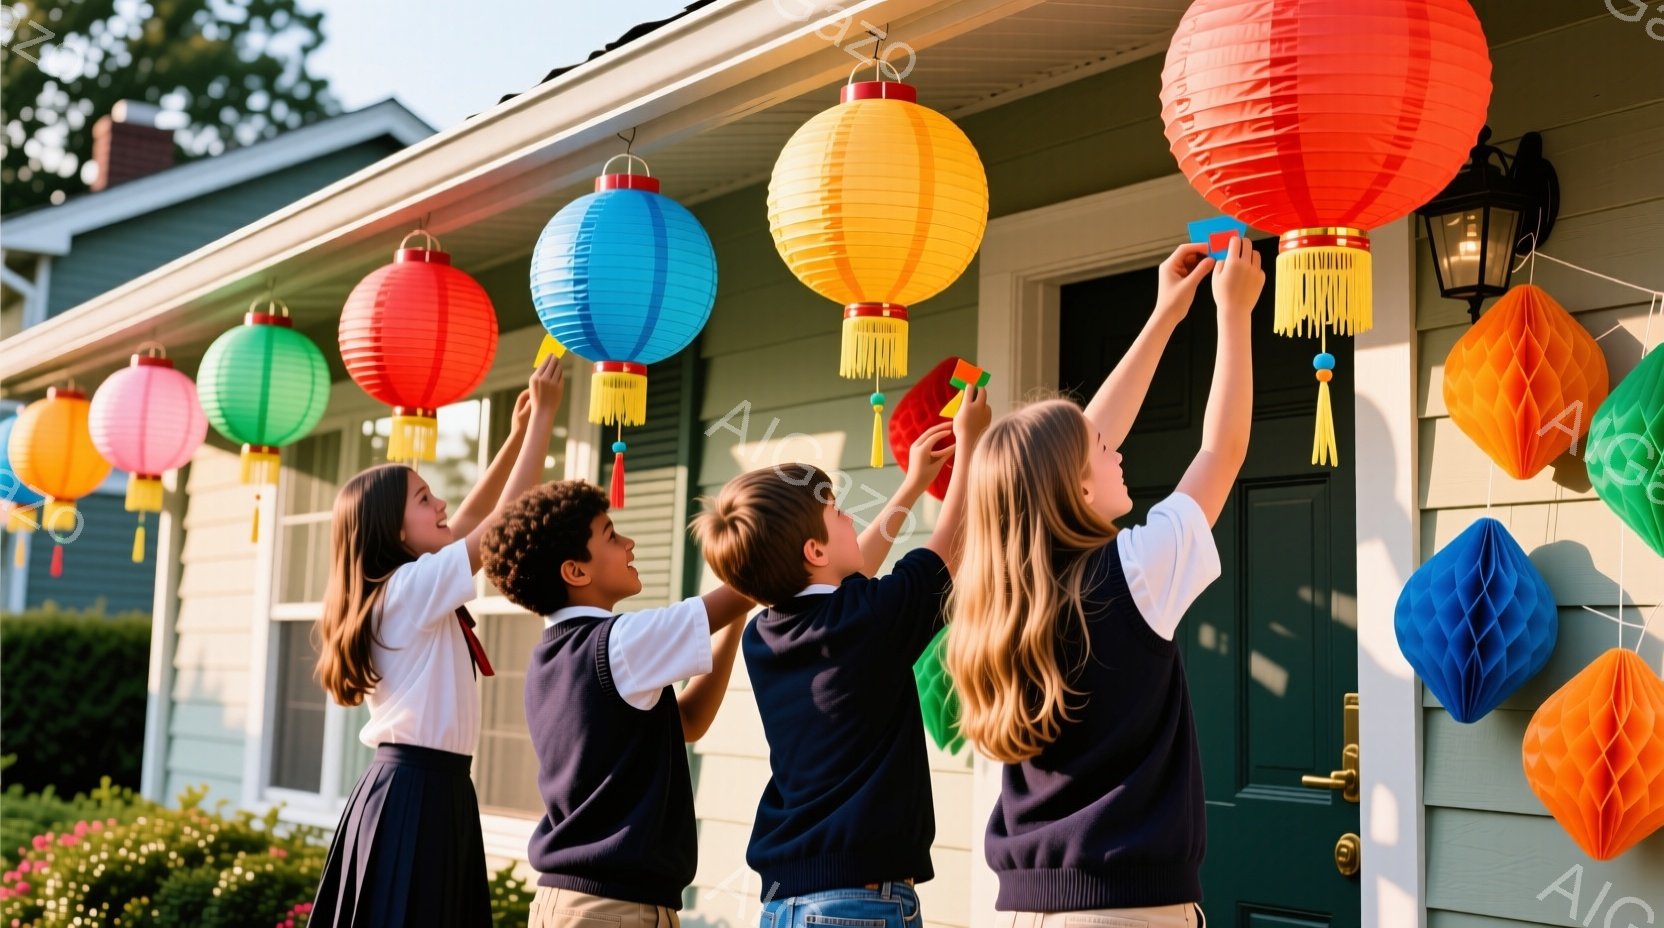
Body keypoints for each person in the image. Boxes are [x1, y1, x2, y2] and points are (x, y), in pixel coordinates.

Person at [946, 238, 1265, 928]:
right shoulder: (1135, 573)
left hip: (1027, 911)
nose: (1115, 448)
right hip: (1125, 913)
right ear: (1076, 485)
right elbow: (1220, 450)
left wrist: (1164, 317)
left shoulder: (999, 600)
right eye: (1102, 450)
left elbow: (1068, 446)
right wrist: (1232, 313)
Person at [690, 386, 991, 928]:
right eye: (837, 512)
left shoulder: (765, 634)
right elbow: (950, 544)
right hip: (858, 903)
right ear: (814, 551)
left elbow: (849, 577)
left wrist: (913, 484)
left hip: (786, 902)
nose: (851, 516)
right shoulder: (869, 618)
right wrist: (971, 445)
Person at [309, 354, 567, 928]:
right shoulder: (407, 590)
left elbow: (471, 518)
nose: (441, 503)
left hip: (429, 788)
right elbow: (496, 529)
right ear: (395, 531)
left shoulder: (405, 587)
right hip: (415, 792)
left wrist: (516, 436)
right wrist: (546, 418)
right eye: (424, 499)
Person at [480, 478, 752, 928]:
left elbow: (687, 722)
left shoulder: (552, 656)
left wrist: (736, 617)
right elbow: (758, 580)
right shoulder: (617, 644)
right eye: (610, 534)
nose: (629, 542)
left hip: (572, 904)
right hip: (613, 910)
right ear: (575, 572)